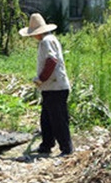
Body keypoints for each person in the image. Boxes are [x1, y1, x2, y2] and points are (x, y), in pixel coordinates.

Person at [19, 13, 73, 156]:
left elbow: (51, 61)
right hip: (53, 87)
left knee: (58, 119)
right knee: (47, 118)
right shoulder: (51, 39)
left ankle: (66, 149)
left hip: (55, 87)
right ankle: (46, 144)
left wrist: (41, 79)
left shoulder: (46, 42)